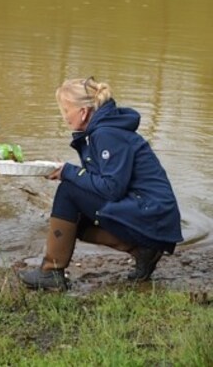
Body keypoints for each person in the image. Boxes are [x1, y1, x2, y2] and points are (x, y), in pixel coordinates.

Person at [18, 77, 183, 290]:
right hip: (151, 211)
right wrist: (65, 171)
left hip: (152, 212)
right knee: (72, 218)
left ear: (83, 112)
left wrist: (69, 172)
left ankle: (51, 272)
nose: (65, 118)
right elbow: (103, 179)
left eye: (66, 110)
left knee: (68, 191)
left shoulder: (106, 134)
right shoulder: (105, 130)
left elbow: (112, 188)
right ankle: (142, 250)